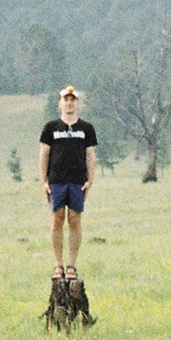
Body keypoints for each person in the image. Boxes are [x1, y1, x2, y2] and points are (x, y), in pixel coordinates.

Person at [37, 86, 99, 280]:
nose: (69, 103)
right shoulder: (51, 128)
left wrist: (90, 180)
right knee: (57, 220)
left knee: (74, 219)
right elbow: (44, 154)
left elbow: (91, 156)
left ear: (77, 103)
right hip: (56, 181)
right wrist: (43, 181)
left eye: (73, 100)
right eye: (66, 99)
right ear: (60, 103)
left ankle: (71, 265)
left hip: (77, 181)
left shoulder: (86, 128)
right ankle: (58, 266)